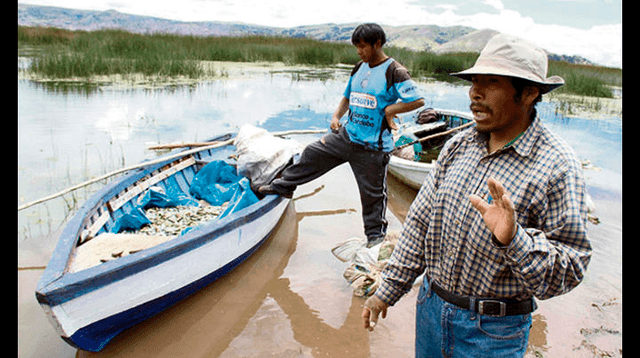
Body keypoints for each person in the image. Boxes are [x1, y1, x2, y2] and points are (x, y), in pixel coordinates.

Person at [362, 34, 592, 357]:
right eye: (473, 81)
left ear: (528, 93)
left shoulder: (557, 166)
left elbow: (572, 266)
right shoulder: (458, 145)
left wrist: (514, 239)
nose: (474, 93)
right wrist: (386, 291)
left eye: (491, 82)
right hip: (430, 309)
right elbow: (418, 224)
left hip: (492, 334)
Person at [258, 23, 425, 247]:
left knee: (372, 196)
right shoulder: (360, 67)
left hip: (372, 148)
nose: (359, 51)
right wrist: (336, 116)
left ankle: (375, 238)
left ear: (377, 44)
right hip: (347, 136)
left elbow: (417, 100)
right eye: (357, 47)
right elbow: (348, 97)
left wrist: (389, 110)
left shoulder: (394, 71)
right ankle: (284, 186)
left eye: (363, 46)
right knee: (312, 152)